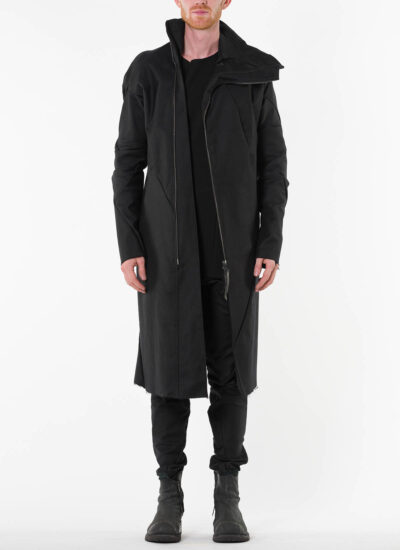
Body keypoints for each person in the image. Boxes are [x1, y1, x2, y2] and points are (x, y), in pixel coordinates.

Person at [111, 0, 289, 543]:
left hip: (235, 255)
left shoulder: (251, 72)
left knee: (230, 377)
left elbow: (273, 164)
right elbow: (128, 161)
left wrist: (269, 241)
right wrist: (130, 243)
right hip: (166, 255)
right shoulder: (149, 72)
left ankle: (226, 498)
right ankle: (169, 498)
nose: (200, 0)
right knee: (167, 378)